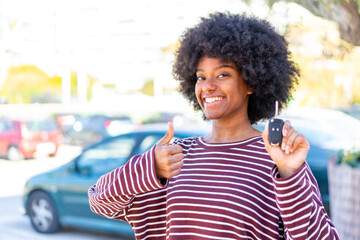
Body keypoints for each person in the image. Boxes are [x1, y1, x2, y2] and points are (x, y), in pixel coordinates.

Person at [88, 12, 339, 239]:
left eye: (223, 74)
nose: (208, 86)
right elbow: (100, 200)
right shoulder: (174, 156)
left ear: (251, 82)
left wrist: (289, 174)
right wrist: (149, 166)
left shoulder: (279, 160)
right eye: (200, 77)